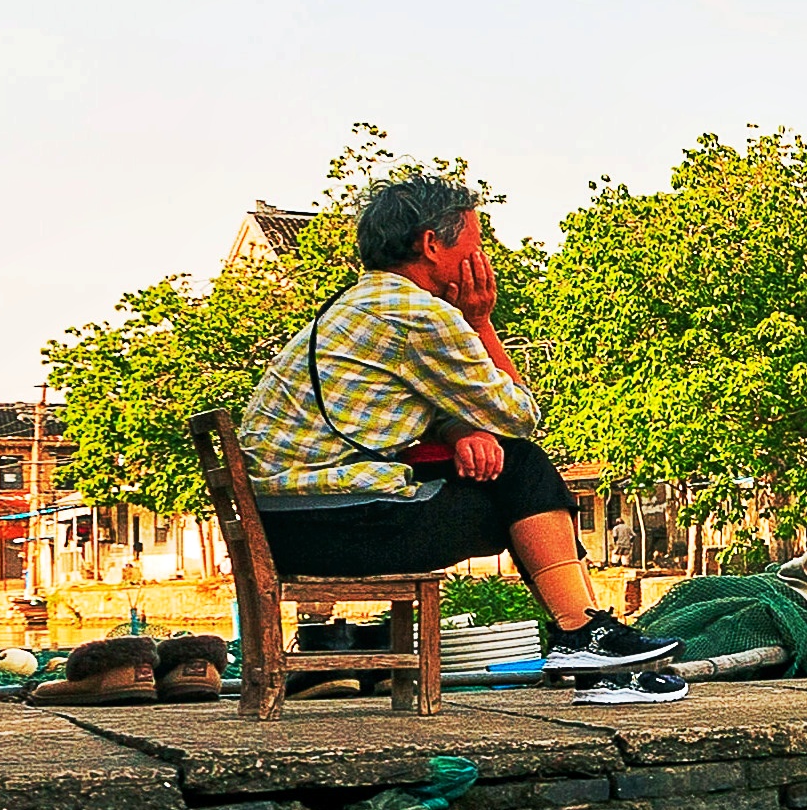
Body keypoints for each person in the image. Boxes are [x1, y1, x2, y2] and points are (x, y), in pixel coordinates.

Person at [238, 173, 673, 681]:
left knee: (516, 478)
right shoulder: (419, 314)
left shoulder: (355, 306)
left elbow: (393, 411)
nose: (480, 259)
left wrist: (458, 432)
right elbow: (517, 414)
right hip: (334, 524)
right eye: (475, 243)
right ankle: (583, 634)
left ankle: (587, 635)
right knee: (524, 472)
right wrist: (480, 320)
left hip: (283, 522)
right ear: (431, 244)